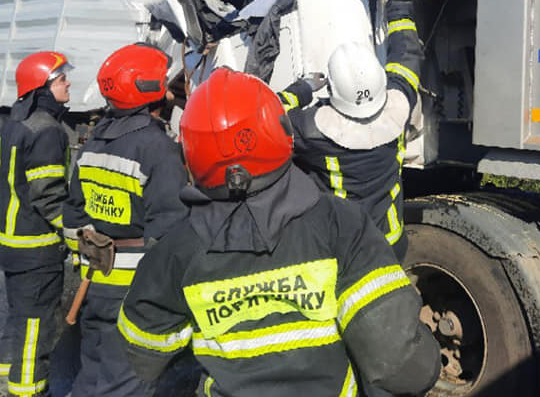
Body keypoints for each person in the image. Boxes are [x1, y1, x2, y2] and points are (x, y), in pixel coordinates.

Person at [117, 68, 440, 397]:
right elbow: (399, 364)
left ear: (191, 151)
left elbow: (144, 353)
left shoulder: (176, 249)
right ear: (279, 132)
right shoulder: (341, 225)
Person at [62, 42, 189, 397]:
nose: (167, 88)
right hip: (134, 289)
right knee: (125, 383)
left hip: (95, 279)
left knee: (92, 375)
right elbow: (171, 233)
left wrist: (87, 254)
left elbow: (73, 215)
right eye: (162, 82)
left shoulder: (92, 144)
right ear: (148, 89)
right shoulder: (158, 149)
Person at [278, 0, 422, 260]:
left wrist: (303, 90)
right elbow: (407, 53)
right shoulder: (400, 104)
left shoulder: (310, 129)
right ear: (381, 80)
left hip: (343, 252)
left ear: (331, 88)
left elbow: (265, 115)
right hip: (390, 246)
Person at [0, 51, 74, 397]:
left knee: (18, 320)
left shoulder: (15, 124)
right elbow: (49, 195)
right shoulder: (48, 132)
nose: (68, 83)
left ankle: (2, 384)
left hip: (12, 247)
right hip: (36, 251)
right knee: (35, 330)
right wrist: (75, 233)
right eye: (60, 79)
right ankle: (27, 392)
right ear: (42, 88)